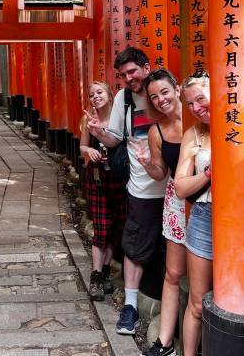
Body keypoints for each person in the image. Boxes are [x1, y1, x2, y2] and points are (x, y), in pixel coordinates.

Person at [86, 47, 168, 335]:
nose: (128, 79)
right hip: (141, 187)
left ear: (146, 67)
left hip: (174, 187)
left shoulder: (164, 91)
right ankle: (131, 306)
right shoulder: (123, 98)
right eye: (122, 75)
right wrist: (99, 134)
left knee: (172, 251)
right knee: (134, 245)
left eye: (132, 72)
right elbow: (115, 139)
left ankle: (168, 311)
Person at [135, 69, 185, 356]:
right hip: (176, 203)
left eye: (164, 92)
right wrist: (145, 164)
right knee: (173, 273)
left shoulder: (200, 118)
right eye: (154, 97)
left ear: (177, 89)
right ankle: (164, 341)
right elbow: (160, 173)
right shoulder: (157, 131)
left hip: (208, 201)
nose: (160, 99)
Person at [173, 71, 212, 356]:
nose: (197, 108)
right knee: (197, 303)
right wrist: (209, 174)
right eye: (190, 104)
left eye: (200, 98)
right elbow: (181, 186)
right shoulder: (193, 134)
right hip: (204, 217)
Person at [79, 82, 127, 301]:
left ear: (110, 94)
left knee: (116, 227)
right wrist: (89, 149)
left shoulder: (120, 118)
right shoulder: (88, 120)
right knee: (101, 227)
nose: (95, 97)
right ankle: (96, 276)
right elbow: (82, 147)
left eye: (99, 92)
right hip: (98, 177)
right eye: (91, 94)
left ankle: (106, 272)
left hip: (118, 177)